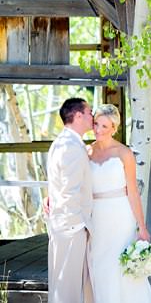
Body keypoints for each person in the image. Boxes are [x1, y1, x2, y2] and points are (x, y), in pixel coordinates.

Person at [86, 104, 151, 303]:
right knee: (98, 265)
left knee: (120, 267)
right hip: (96, 216)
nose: (99, 130)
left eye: (105, 126)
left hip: (120, 215)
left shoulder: (124, 153)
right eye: (96, 124)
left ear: (114, 129)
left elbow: (133, 192)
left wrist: (142, 227)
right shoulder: (86, 151)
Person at [46, 97, 95, 303]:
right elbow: (69, 192)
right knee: (68, 289)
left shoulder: (63, 142)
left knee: (71, 286)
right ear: (78, 115)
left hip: (65, 225)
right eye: (89, 112)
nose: (92, 116)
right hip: (70, 227)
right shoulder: (70, 147)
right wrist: (79, 226)